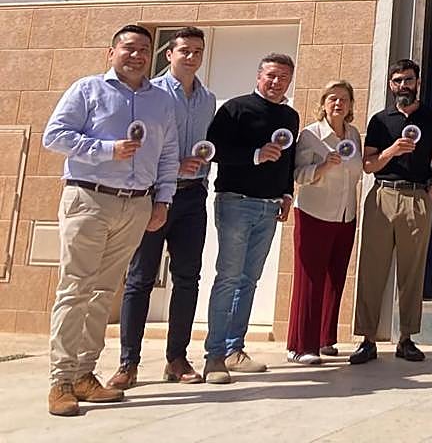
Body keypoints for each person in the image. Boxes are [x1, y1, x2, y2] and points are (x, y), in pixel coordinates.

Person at [43, 24, 179, 417]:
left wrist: (162, 200)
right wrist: (106, 149)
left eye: (144, 50)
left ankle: (85, 374)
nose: (137, 56)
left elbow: (168, 154)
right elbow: (54, 136)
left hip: (136, 205)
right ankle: (61, 380)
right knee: (75, 289)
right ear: (112, 52)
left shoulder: (160, 101)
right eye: (129, 48)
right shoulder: (88, 89)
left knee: (104, 292)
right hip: (89, 198)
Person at [110, 26, 216, 391]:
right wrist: (173, 167)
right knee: (140, 279)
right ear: (169, 54)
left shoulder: (208, 99)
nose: (191, 57)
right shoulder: (151, 94)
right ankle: (128, 363)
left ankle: (177, 358)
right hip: (153, 194)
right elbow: (142, 145)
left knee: (187, 279)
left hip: (193, 197)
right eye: (185, 50)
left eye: (198, 51)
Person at [202, 52, 299, 383]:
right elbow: (213, 149)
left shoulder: (290, 115)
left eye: (283, 77)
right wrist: (254, 155)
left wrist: (287, 194)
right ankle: (214, 357)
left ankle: (235, 349)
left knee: (249, 281)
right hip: (236, 202)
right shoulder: (235, 108)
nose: (276, 82)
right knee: (228, 278)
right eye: (271, 75)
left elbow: (289, 159)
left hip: (270, 207)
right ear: (259, 76)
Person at [350, 59, 432, 364]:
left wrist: (431, 195)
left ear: (417, 82)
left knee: (412, 271)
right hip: (382, 195)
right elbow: (368, 165)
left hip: (417, 197)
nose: (403, 85)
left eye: (408, 80)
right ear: (391, 85)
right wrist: (391, 151)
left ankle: (406, 338)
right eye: (397, 81)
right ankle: (367, 339)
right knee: (372, 269)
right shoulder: (380, 121)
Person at [287, 80, 363, 364]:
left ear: (351, 104)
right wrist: (323, 166)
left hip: (345, 215)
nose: (338, 103)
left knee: (335, 277)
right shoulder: (310, 135)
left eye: (344, 98)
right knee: (309, 279)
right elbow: (298, 174)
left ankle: (325, 338)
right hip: (314, 214)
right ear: (323, 103)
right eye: (332, 98)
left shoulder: (353, 135)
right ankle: (301, 346)